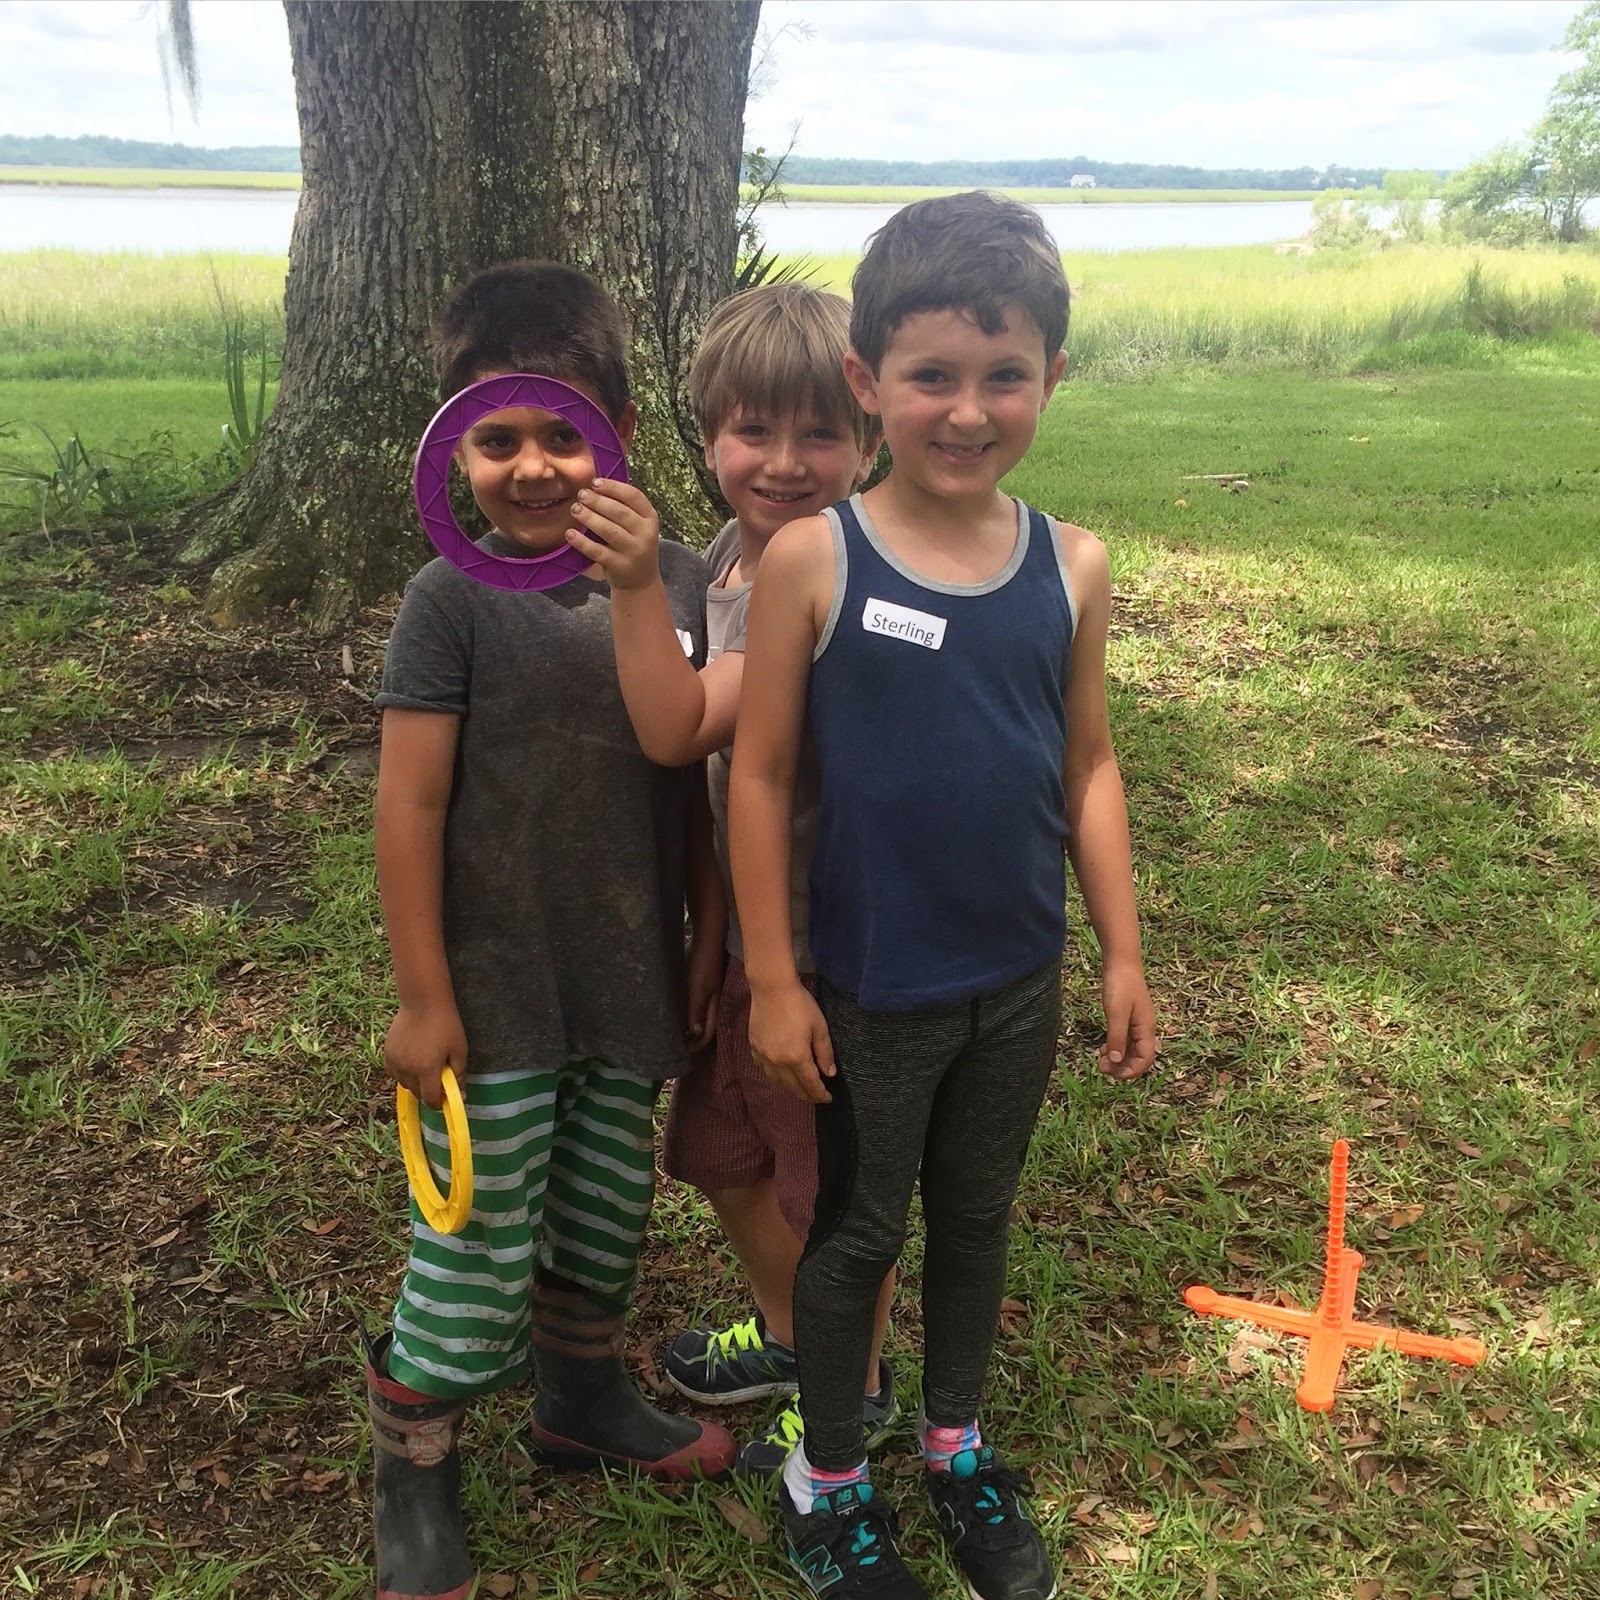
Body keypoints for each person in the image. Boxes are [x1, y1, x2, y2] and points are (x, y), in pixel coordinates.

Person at [729, 192, 1160, 1600]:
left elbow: (1088, 764)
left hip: (1016, 979)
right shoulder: (817, 557)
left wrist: (1120, 953)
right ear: (868, 382)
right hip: (871, 987)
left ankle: (955, 1445)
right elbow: (759, 775)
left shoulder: (1072, 564)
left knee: (977, 1217)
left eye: (1003, 375)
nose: (967, 412)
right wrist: (775, 978)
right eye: (931, 375)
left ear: (1050, 377)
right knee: (860, 1231)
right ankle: (827, 1478)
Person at [365, 260, 735, 1600]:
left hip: (629, 978)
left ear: (617, 433)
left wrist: (704, 939)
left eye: (562, 434)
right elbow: (409, 803)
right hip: (496, 993)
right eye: (497, 438)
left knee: (600, 1206)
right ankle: (413, 1467)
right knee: (473, 1242)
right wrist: (424, 996)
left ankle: (579, 1400)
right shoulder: (446, 603)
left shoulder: (680, 584)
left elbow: (696, 777)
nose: (532, 466)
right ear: (448, 451)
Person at [563, 282, 897, 1478]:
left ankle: (851, 1390)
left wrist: (629, 585)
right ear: (707, 437)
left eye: (821, 434)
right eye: (755, 430)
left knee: (824, 1192)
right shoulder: (730, 554)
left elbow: (677, 727)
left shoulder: (818, 578)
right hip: (755, 940)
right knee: (725, 1156)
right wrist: (710, 943)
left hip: (822, 955)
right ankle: (796, 1337)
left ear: (869, 440)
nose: (786, 462)